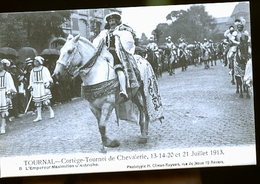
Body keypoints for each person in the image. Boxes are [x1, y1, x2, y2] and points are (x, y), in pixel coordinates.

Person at [93, 12, 139, 100]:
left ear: (117, 21)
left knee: (118, 69)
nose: (111, 23)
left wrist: (117, 33)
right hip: (105, 54)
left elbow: (128, 39)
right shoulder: (104, 33)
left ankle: (123, 90)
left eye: (113, 20)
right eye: (110, 21)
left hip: (116, 53)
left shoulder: (121, 30)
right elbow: (98, 42)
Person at [28, 56, 54, 122]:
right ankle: (39, 116)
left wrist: (47, 85)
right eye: (34, 61)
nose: (35, 62)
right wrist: (31, 87)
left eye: (36, 61)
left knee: (46, 101)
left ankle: (51, 111)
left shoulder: (44, 69)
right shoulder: (32, 70)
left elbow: (48, 77)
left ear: (40, 62)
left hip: (42, 86)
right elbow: (31, 80)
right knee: (37, 102)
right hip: (36, 87)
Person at [0, 59, 17, 134]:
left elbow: (10, 85)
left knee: (3, 111)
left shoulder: (7, 74)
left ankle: (2, 126)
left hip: (3, 94)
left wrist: (8, 94)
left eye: (1, 65)